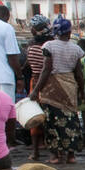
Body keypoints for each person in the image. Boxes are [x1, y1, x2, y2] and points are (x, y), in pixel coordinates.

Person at [27, 17, 85, 166]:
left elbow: (46, 70)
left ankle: (55, 155)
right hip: (70, 85)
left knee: (51, 121)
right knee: (70, 120)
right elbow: (79, 74)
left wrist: (36, 90)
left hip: (52, 87)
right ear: (69, 32)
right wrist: (82, 92)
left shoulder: (49, 46)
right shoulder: (76, 49)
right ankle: (71, 155)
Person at [23, 14, 52, 161]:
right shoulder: (53, 45)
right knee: (51, 115)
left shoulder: (31, 47)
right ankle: (52, 148)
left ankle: (35, 151)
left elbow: (27, 67)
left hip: (35, 83)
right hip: (52, 83)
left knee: (34, 116)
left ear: (34, 31)